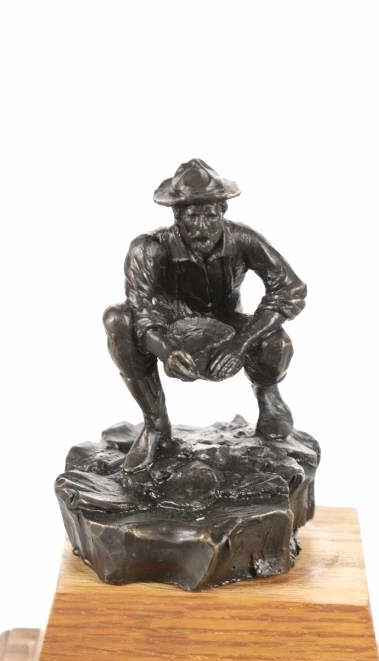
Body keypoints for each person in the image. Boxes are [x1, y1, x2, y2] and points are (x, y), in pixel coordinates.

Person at [104, 159, 307, 472]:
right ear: (177, 216)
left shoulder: (243, 240)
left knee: (277, 342)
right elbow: (142, 309)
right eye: (192, 216)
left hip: (226, 323)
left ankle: (268, 397)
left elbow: (290, 289)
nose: (202, 227)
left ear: (223, 211)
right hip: (170, 326)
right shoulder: (148, 249)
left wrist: (240, 343)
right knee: (118, 319)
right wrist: (166, 350)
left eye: (210, 216)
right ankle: (155, 423)